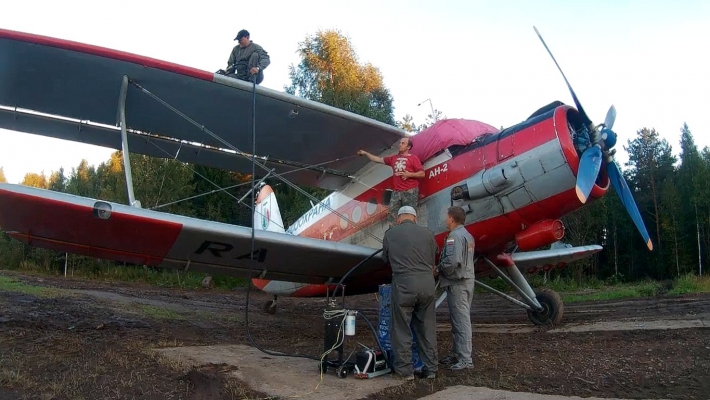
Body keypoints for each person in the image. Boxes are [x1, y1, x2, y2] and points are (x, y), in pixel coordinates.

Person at [381, 206, 438, 380]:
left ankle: (405, 371)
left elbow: (385, 259)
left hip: (404, 284)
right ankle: (431, 370)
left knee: (401, 328)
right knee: (427, 327)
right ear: (415, 218)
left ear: (398, 219)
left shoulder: (390, 234)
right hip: (427, 285)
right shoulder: (428, 233)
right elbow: (435, 254)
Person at [436, 206, 475, 370]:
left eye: (447, 217)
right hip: (467, 281)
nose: (445, 219)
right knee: (459, 319)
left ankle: (465, 359)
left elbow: (452, 261)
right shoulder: (467, 235)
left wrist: (438, 269)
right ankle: (457, 353)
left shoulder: (454, 237)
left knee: (461, 321)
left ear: (451, 218)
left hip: (457, 283)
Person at [357, 137, 424, 226]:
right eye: (400, 143)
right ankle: (392, 233)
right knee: (392, 215)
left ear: (408, 147)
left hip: (410, 190)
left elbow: (422, 174)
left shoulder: (413, 158)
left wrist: (409, 174)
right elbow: (378, 159)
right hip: (396, 191)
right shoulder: (393, 158)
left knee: (410, 215)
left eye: (403, 143)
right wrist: (365, 153)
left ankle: (410, 233)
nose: (400, 144)